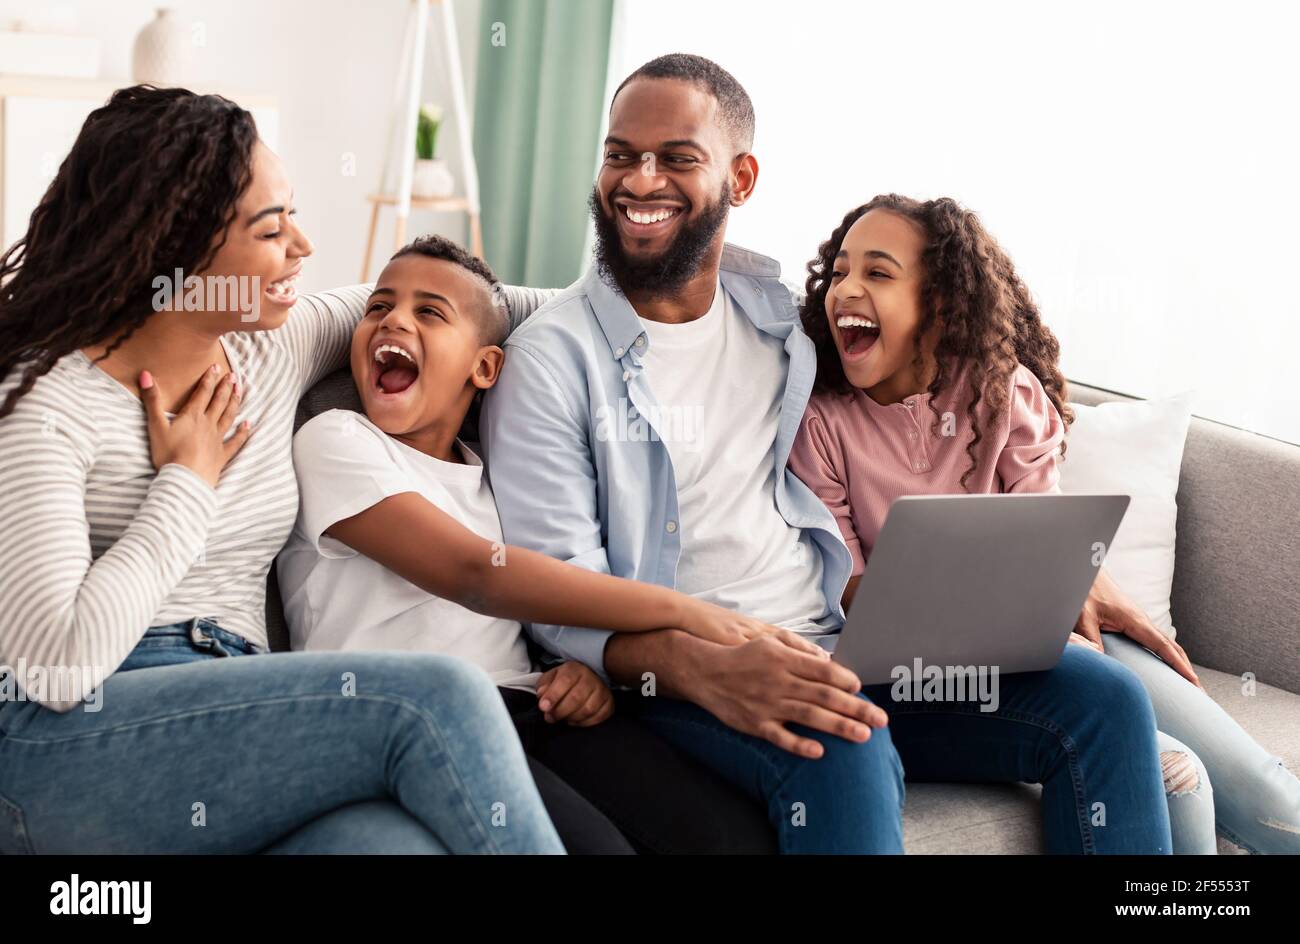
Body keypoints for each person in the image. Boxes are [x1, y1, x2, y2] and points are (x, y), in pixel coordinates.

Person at [481, 53, 1172, 853]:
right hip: (684, 671)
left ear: (741, 180)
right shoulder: (549, 360)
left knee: (1104, 699)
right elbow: (558, 594)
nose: (639, 181)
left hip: (845, 643)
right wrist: (703, 667)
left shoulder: (783, 325)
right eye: (619, 154)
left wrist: (1067, 567)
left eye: (677, 158)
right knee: (840, 740)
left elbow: (936, 367)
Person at [0, 86, 561, 854]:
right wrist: (186, 485)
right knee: (439, 698)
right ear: (179, 246)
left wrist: (686, 283)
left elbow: (481, 303)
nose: (302, 245)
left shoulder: (273, 346)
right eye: (272, 228)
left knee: (390, 847)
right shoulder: (46, 403)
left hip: (236, 719)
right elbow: (53, 665)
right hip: (73, 739)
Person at [279, 234, 823, 853]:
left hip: (529, 711)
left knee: (732, 839)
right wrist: (691, 614)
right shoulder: (336, 440)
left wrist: (573, 674)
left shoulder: (490, 479)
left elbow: (530, 606)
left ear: (484, 367)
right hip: (412, 723)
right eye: (379, 307)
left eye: (429, 311)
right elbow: (478, 576)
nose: (393, 320)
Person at [790, 193, 1300, 854]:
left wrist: (1078, 590)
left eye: (878, 273)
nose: (846, 288)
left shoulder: (1004, 391)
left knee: (1261, 784)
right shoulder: (820, 420)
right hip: (920, 667)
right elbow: (853, 591)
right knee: (1181, 779)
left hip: (1044, 633)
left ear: (939, 303)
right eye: (838, 272)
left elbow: (1050, 537)